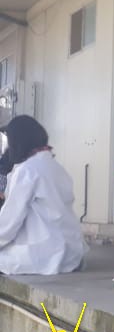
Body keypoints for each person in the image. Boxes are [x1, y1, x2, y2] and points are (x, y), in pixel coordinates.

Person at [0, 115, 85, 275]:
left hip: (45, 254)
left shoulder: (28, 170)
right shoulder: (57, 168)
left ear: (18, 142)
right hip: (71, 254)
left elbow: (8, 224)